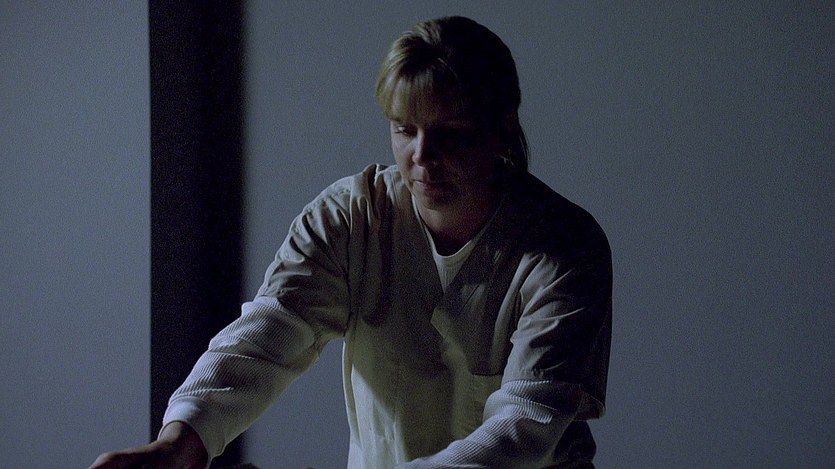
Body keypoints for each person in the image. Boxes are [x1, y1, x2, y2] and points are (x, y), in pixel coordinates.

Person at [90, 15, 612, 469]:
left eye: (450, 131)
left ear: (502, 127)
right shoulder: (351, 216)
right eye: (404, 129)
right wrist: (183, 438)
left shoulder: (565, 247)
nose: (422, 155)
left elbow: (525, 427)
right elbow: (269, 332)